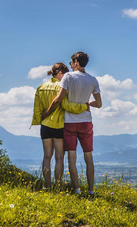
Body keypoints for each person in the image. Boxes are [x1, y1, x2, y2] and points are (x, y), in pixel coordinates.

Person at [42, 52, 102, 195]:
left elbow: (58, 99)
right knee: (89, 156)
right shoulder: (93, 80)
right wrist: (86, 103)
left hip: (70, 123)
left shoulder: (68, 77)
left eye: (71, 62)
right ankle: (91, 190)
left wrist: (45, 114)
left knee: (71, 157)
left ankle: (76, 190)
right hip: (86, 122)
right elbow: (99, 104)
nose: (70, 64)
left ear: (76, 62)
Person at [31, 62, 88, 189]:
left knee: (46, 156)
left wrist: (40, 120)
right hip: (59, 125)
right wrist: (84, 106)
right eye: (66, 74)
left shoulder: (41, 87)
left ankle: (47, 185)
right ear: (61, 73)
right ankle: (58, 186)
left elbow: (37, 108)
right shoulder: (62, 87)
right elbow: (66, 105)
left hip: (45, 126)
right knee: (59, 157)